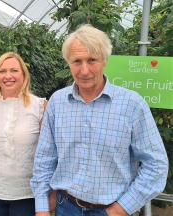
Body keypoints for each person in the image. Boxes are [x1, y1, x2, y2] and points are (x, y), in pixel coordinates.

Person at [30, 24, 169, 216]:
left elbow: (156, 164)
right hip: (65, 207)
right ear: (68, 62)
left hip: (111, 209)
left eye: (92, 60)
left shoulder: (132, 105)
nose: (84, 70)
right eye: (76, 61)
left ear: (104, 60)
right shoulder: (57, 102)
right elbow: (45, 158)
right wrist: (42, 207)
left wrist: (121, 209)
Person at [0, 52, 56, 215]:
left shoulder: (40, 107)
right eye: (2, 71)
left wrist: (53, 194)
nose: (8, 76)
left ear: (24, 74)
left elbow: (53, 154)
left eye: (14, 70)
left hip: (28, 196)